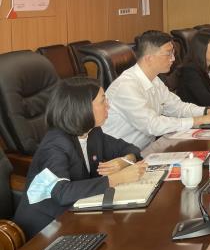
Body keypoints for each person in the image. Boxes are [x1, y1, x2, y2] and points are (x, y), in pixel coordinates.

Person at [14, 78, 147, 238]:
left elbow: (130, 149)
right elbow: (62, 193)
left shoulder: (92, 132)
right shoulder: (55, 145)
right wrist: (117, 178)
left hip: (77, 213)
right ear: (83, 107)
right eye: (102, 101)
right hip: (45, 228)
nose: (108, 106)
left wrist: (124, 161)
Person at [104, 30, 210, 149]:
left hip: (147, 149)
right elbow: (152, 125)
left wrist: (207, 112)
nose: (173, 58)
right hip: (121, 158)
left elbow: (177, 107)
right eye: (168, 53)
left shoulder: (154, 80)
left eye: (173, 53)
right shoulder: (126, 86)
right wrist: (199, 120)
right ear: (149, 58)